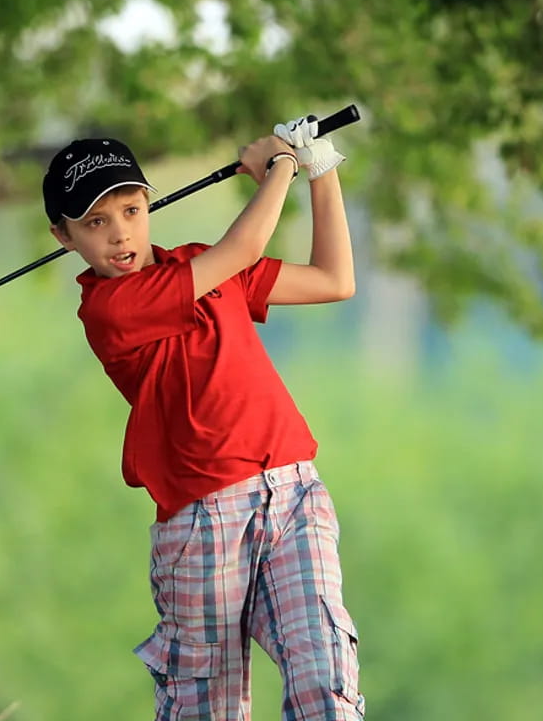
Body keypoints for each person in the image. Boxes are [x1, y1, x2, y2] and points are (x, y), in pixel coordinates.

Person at [42, 116, 364, 720]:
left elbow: (333, 279)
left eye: (131, 210)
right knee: (207, 707)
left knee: (326, 678)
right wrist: (281, 165)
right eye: (95, 222)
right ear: (64, 236)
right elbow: (242, 249)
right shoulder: (110, 308)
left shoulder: (199, 263)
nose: (120, 233)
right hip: (202, 522)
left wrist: (321, 169)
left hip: (293, 497)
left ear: (149, 204)